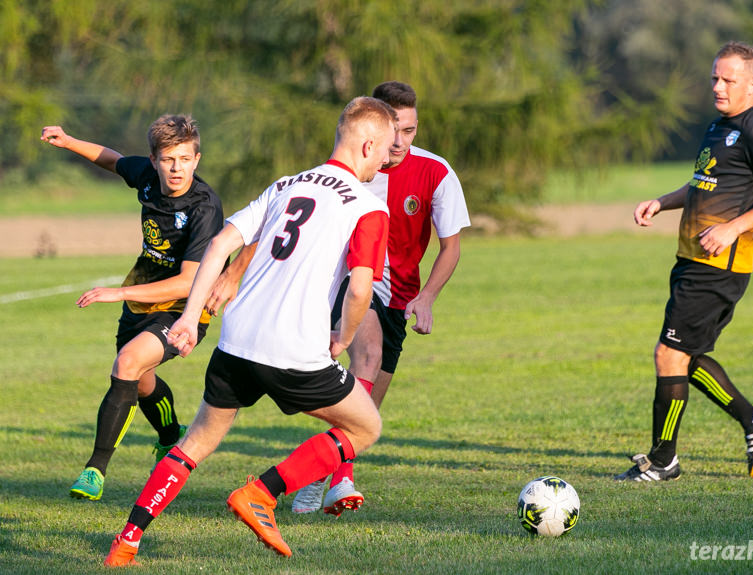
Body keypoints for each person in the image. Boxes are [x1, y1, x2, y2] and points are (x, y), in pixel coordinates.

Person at [102, 96, 394, 567]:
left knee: (196, 440)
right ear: (367, 144)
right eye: (385, 150)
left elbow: (220, 245)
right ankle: (262, 492)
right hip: (294, 350)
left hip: (236, 340)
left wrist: (188, 319)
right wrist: (342, 336)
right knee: (364, 426)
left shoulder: (286, 184)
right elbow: (360, 288)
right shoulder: (366, 206)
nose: (386, 160)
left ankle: (128, 539)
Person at [207, 81, 471, 515]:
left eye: (411, 131)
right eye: (395, 131)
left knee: (365, 410)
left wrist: (426, 297)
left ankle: (319, 474)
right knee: (365, 355)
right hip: (346, 283)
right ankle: (336, 480)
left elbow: (452, 246)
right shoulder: (347, 169)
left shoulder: (436, 172)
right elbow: (280, 216)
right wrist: (235, 271)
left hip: (399, 299)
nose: (400, 143)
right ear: (375, 127)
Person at [614, 41, 753, 482]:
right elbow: (703, 184)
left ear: (751, 84)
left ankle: (664, 462)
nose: (717, 86)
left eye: (728, 80)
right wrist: (662, 202)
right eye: (715, 77)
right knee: (684, 354)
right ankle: (751, 418)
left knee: (669, 353)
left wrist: (734, 228)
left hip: (719, 265)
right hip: (693, 260)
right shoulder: (720, 127)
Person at [40, 116, 224, 500]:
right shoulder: (146, 175)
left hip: (184, 307)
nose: (177, 168)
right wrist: (69, 140)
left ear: (197, 158)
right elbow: (113, 160)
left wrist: (117, 293)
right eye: (169, 159)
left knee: (126, 362)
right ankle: (171, 436)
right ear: (154, 160)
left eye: (186, 159)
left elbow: (190, 280)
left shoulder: (204, 206)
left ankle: (95, 469)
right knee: (140, 380)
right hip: (142, 291)